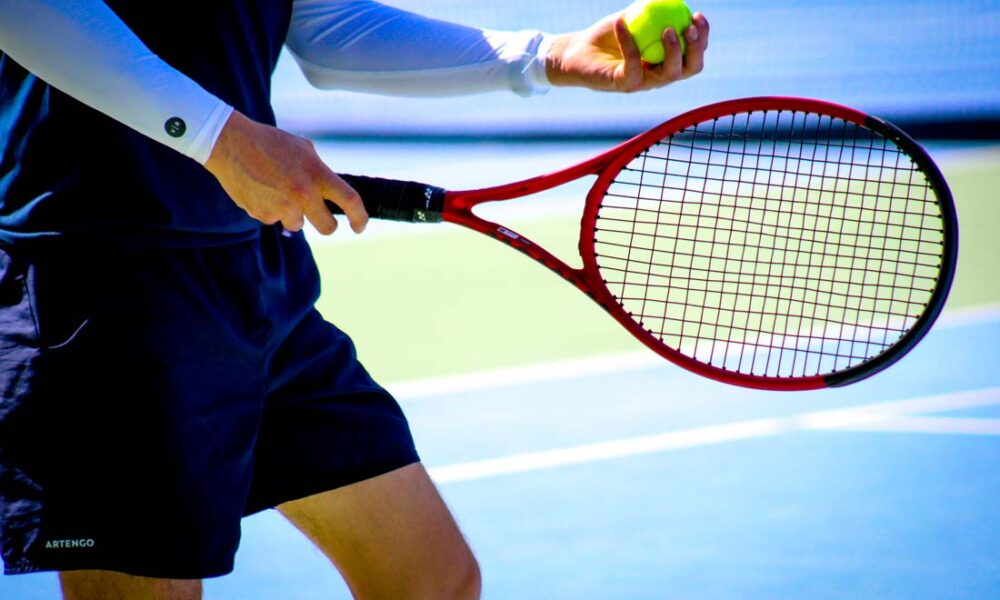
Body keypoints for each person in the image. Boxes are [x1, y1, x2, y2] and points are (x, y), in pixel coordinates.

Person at [0, 0, 709, 598]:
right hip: (102, 275)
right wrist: (218, 137)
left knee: (432, 580)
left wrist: (543, 56)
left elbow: (323, 24)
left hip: (253, 270)